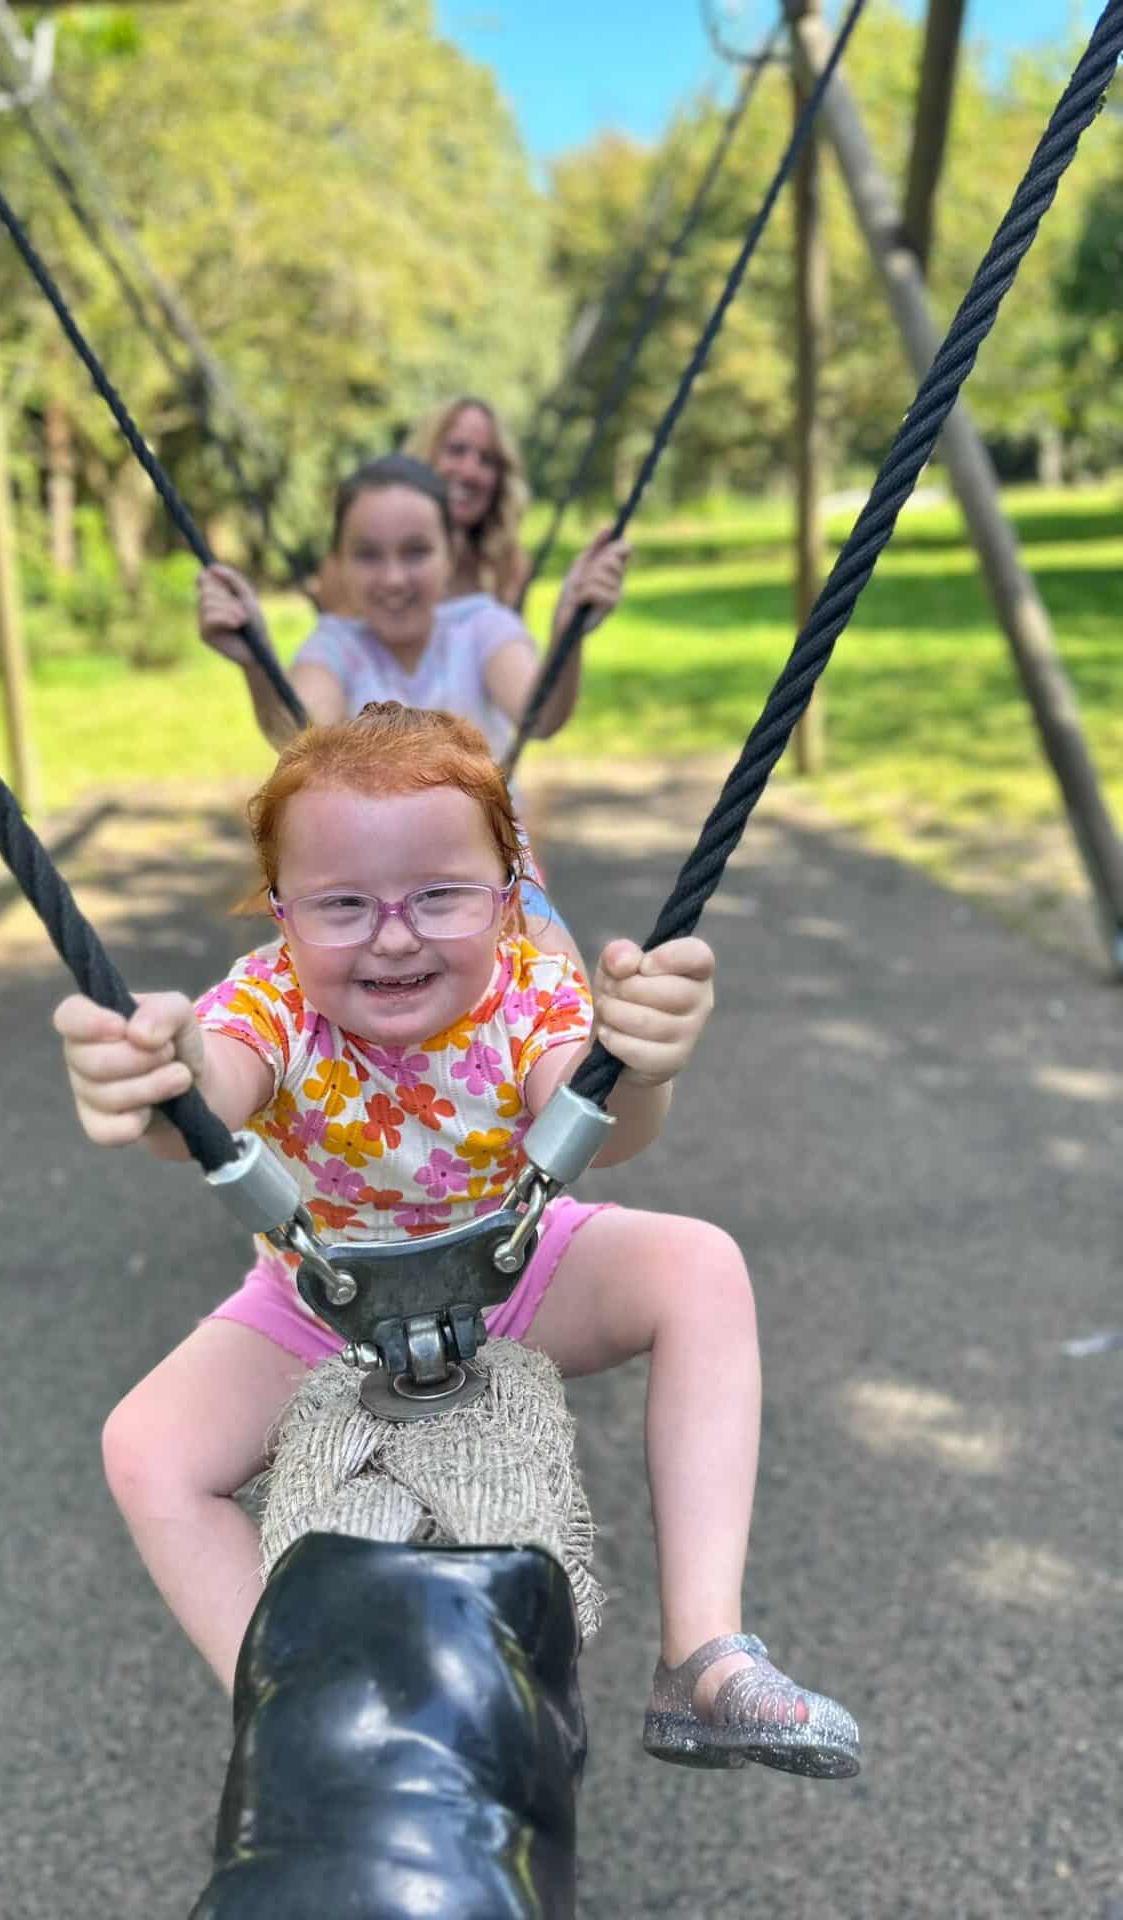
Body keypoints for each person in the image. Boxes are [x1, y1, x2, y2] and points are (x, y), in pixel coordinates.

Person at [54, 703, 860, 1779]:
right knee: (146, 1448)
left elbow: (601, 1126)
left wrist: (646, 1061)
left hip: (512, 1268)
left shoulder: (529, 989)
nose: (394, 935)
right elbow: (209, 1089)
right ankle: (292, 1701)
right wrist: (155, 1078)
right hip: (321, 1299)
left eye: (440, 894)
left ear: (510, 893)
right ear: (281, 913)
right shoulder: (273, 1000)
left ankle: (702, 1655)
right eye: (342, 905)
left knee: (700, 1267)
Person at [198, 453, 627, 963]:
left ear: (451, 556)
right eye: (369, 555)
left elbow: (541, 713)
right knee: (281, 978)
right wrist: (257, 661)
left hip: (486, 869)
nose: (395, 577)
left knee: (558, 971)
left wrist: (566, 635)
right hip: (362, 876)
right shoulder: (336, 645)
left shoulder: (481, 628)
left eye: (417, 552)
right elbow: (298, 729)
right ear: (337, 565)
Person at [317, 394, 531, 610]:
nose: (469, 472)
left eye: (487, 460)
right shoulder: (357, 558)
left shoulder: (509, 567)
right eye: (456, 450)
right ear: (425, 454)